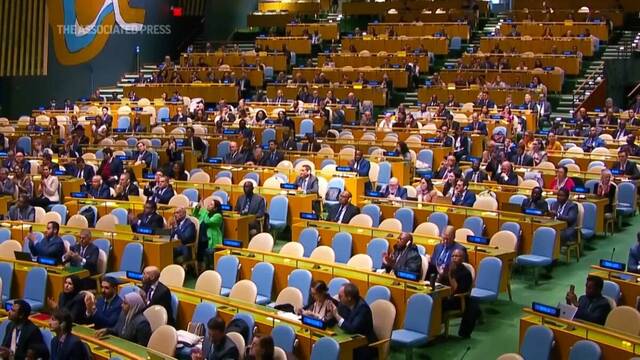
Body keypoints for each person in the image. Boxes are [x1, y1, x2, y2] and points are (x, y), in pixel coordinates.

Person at [329, 283, 377, 360]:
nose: (338, 297)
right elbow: (336, 320)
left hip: (364, 345)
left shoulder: (362, 308)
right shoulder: (343, 304)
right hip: (349, 340)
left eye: (341, 296)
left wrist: (336, 315)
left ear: (349, 298)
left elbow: (352, 329)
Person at [439, 248, 476, 338]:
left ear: (462, 258)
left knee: (438, 304)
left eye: (457, 256)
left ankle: (436, 329)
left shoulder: (465, 273)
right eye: (453, 256)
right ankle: (433, 328)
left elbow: (456, 290)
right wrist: (440, 275)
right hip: (445, 295)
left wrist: (451, 274)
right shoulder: (448, 268)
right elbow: (441, 282)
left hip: (457, 300)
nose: (454, 258)